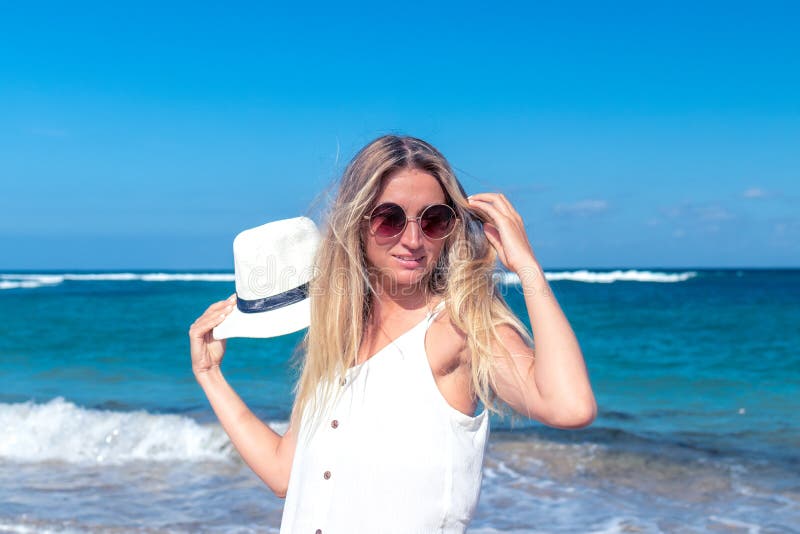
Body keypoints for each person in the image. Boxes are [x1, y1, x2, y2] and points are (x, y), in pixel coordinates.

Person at [189, 135, 596, 533]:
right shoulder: (336, 338)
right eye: (390, 219)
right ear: (358, 224)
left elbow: (569, 406)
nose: (414, 240)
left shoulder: (457, 329)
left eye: (434, 219)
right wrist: (210, 376)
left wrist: (526, 266)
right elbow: (284, 474)